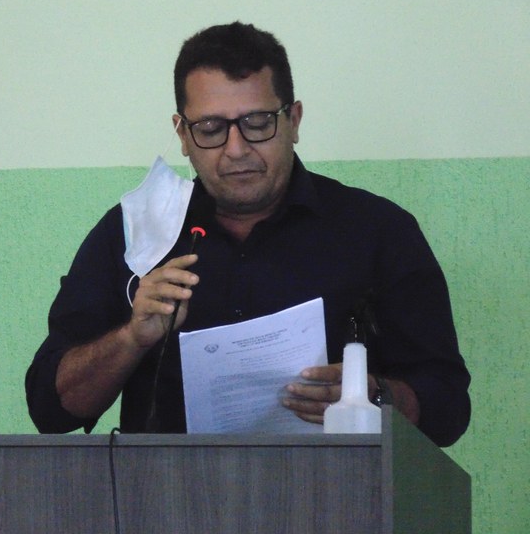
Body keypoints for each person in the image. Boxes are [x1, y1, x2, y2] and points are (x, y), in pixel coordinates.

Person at [25, 22, 470, 446]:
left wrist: (373, 396)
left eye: (257, 123)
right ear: (182, 134)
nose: (236, 150)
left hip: (333, 493)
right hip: (166, 493)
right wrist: (131, 339)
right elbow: (50, 409)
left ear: (294, 120)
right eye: (211, 129)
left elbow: (448, 408)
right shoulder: (132, 234)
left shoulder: (378, 231)